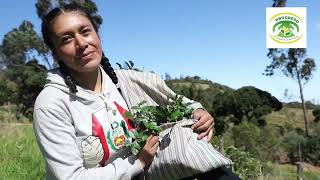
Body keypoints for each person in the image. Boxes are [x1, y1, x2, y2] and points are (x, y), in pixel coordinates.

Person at [33, 3, 235, 180]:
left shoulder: (126, 81)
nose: (82, 43)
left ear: (97, 34)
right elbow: (71, 177)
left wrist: (199, 112)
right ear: (55, 51)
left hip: (145, 174)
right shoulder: (52, 103)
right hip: (138, 168)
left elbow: (180, 103)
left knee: (215, 170)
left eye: (85, 31)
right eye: (66, 39)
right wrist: (137, 162)